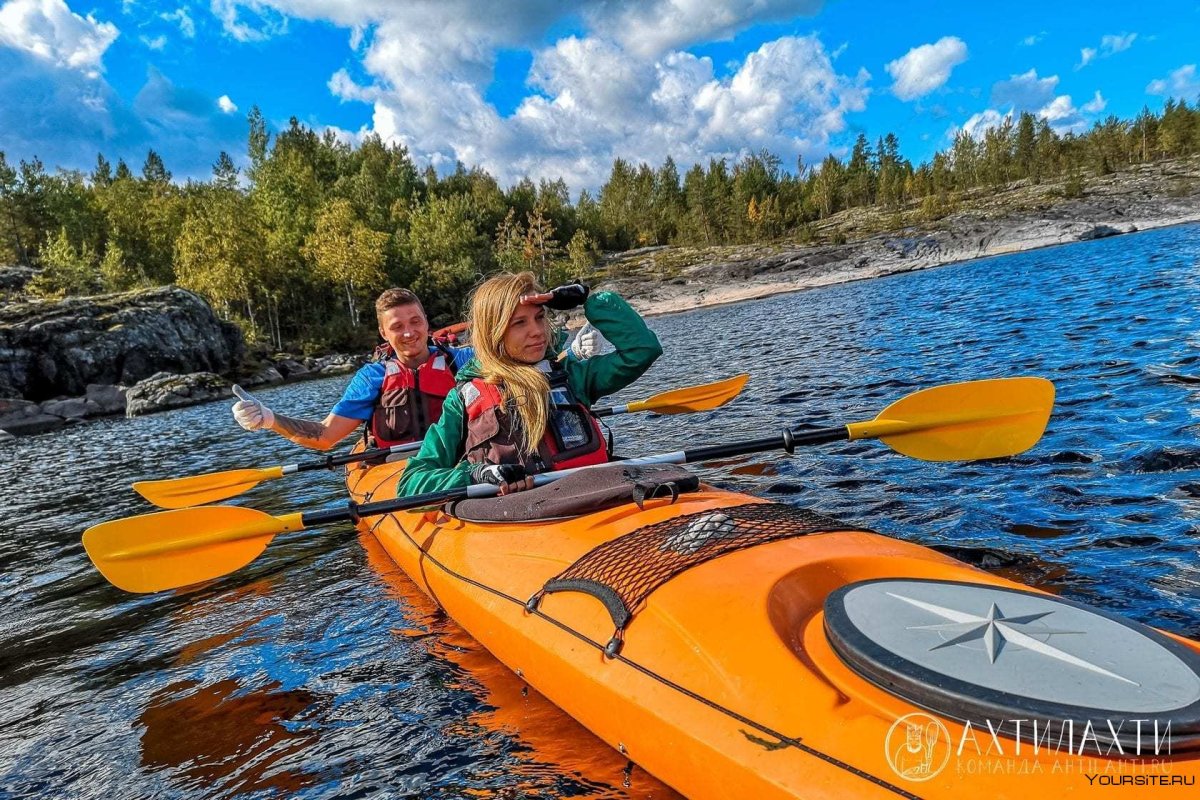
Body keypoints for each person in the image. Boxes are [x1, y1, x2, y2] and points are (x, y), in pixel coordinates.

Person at [231, 287, 601, 451]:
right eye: (397, 326)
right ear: (383, 332)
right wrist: (269, 419)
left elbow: (526, 362)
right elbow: (325, 438)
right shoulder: (373, 378)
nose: (409, 332)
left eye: (415, 321)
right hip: (396, 469)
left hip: (461, 461)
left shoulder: (462, 360)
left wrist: (571, 354)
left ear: (426, 321)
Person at [398, 272, 662, 496]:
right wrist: (476, 474)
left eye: (539, 318)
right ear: (495, 331)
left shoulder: (572, 376)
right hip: (524, 518)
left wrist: (589, 300)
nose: (536, 331)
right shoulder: (463, 399)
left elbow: (643, 350)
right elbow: (412, 482)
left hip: (592, 496)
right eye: (519, 323)